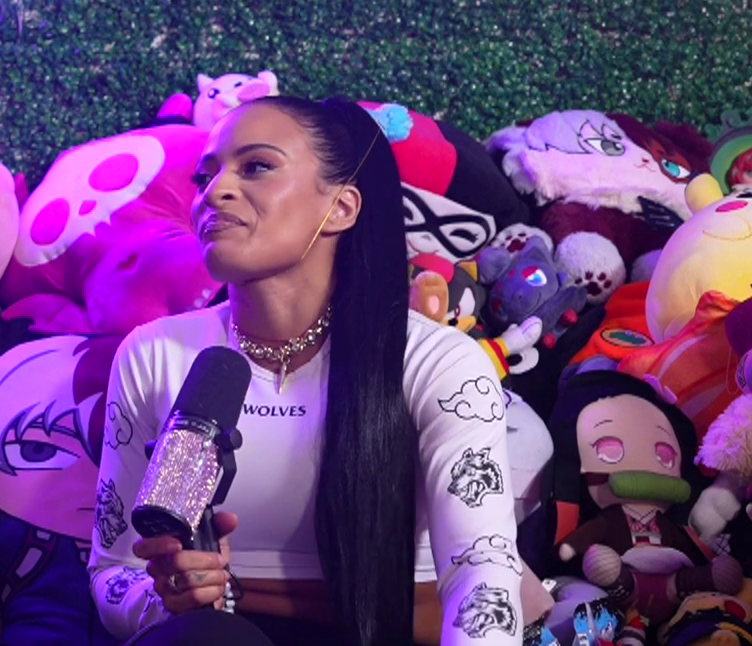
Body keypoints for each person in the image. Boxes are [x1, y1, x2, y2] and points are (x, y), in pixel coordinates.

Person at [88, 96, 524, 646]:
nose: (214, 192)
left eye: (257, 166)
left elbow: (482, 574)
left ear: (341, 207)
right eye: (205, 176)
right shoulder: (154, 354)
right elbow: (112, 570)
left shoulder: (440, 363)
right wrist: (166, 600)